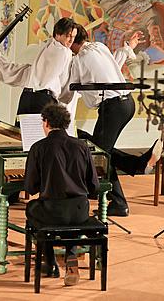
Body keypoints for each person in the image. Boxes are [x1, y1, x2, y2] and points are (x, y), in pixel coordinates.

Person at [60, 24, 163, 217]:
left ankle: (119, 203)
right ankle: (138, 164)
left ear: (73, 41)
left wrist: (54, 104)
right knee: (101, 150)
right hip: (127, 104)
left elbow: (68, 90)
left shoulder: (79, 60)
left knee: (100, 156)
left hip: (113, 107)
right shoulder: (99, 47)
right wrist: (127, 48)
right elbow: (115, 65)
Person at [24, 102, 100, 286]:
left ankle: (49, 261)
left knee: (33, 210)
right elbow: (94, 186)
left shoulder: (38, 147)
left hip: (52, 210)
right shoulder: (82, 146)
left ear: (46, 122)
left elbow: (30, 187)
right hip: (80, 211)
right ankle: (71, 258)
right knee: (69, 216)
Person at [0, 17, 77, 119]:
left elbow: (9, 70)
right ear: (58, 34)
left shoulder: (44, 49)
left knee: (19, 135)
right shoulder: (64, 52)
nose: (71, 40)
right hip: (43, 101)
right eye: (68, 36)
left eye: (74, 37)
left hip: (27, 98)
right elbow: (65, 88)